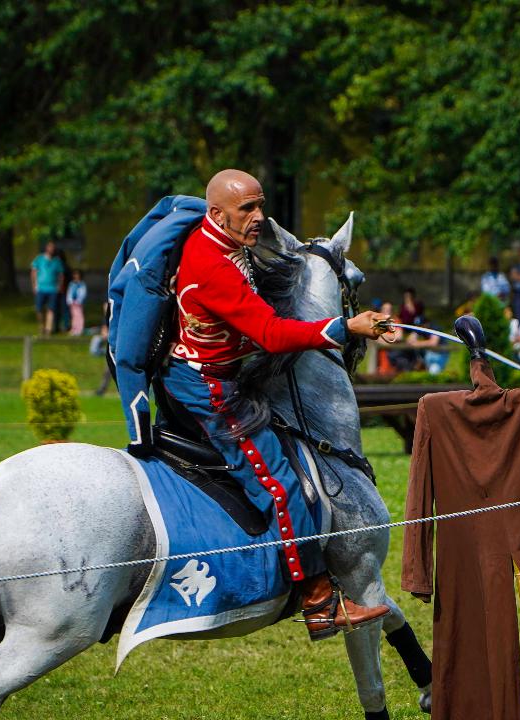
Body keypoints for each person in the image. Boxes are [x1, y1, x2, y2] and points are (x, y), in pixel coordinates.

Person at [148, 169, 392, 638]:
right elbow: (271, 334)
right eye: (248, 209)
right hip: (209, 388)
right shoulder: (212, 265)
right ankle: (320, 604)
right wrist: (343, 328)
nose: (259, 217)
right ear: (217, 213)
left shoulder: (223, 242)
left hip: (224, 372)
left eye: (261, 205)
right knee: (280, 485)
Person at [30, 241, 64, 335]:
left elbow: (61, 274)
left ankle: (48, 329)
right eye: (50, 247)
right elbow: (34, 272)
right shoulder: (39, 259)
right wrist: (34, 285)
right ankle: (41, 326)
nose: (51, 249)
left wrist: (59, 286)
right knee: (39, 308)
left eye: (53, 247)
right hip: (41, 288)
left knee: (51, 309)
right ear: (46, 248)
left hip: (52, 289)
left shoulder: (57, 261)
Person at [66, 269, 87, 336]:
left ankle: (79, 329)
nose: (76, 276)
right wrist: (69, 300)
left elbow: (83, 293)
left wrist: (79, 300)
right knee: (73, 316)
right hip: (72, 302)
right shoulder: (71, 284)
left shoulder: (82, 284)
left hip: (78, 303)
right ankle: (74, 328)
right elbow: (69, 292)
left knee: (79, 316)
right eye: (75, 274)